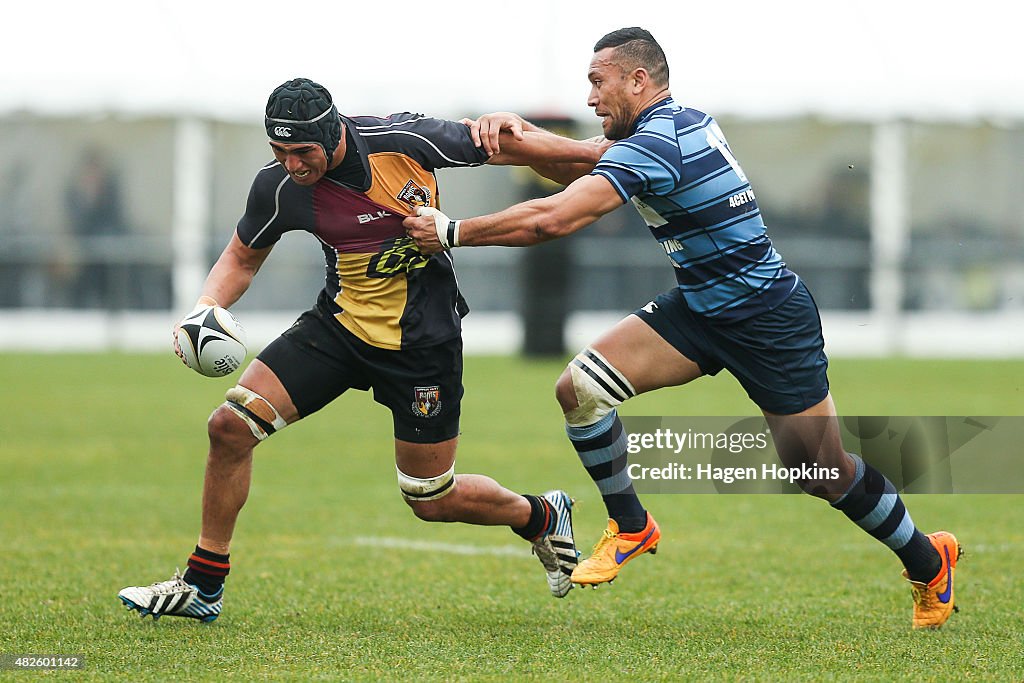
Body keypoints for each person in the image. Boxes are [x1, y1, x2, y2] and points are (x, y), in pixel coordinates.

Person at [404, 28, 961, 630]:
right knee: (578, 390)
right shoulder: (671, 125)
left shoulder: (657, 142)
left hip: (767, 317)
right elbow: (585, 159)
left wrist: (453, 231)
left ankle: (929, 560)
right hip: (699, 309)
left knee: (819, 471)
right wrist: (510, 139)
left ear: (637, 80)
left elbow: (554, 219)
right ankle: (631, 524)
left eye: (598, 82)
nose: (591, 97)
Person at [117, 78, 606, 622]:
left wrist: (591, 153)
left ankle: (539, 516)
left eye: (302, 151)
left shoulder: (406, 140)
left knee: (429, 497)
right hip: (339, 329)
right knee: (229, 427)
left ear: (333, 134)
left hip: (424, 342)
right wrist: (204, 306)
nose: (292, 164)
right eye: (279, 151)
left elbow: (504, 142)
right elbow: (241, 257)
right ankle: (203, 586)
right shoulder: (279, 186)